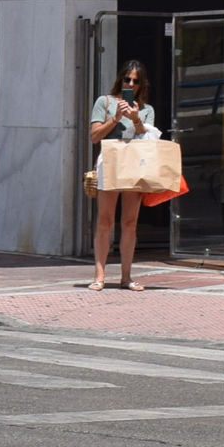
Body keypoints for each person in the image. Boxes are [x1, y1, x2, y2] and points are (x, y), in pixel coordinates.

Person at [88, 58, 159, 292]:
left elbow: (148, 138)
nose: (130, 84)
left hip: (134, 163)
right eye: (127, 79)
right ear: (120, 78)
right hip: (110, 161)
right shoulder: (105, 102)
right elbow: (95, 136)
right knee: (105, 221)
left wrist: (136, 118)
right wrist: (116, 118)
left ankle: (126, 277)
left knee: (129, 223)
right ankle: (99, 276)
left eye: (135, 81)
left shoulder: (146, 110)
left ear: (142, 84)